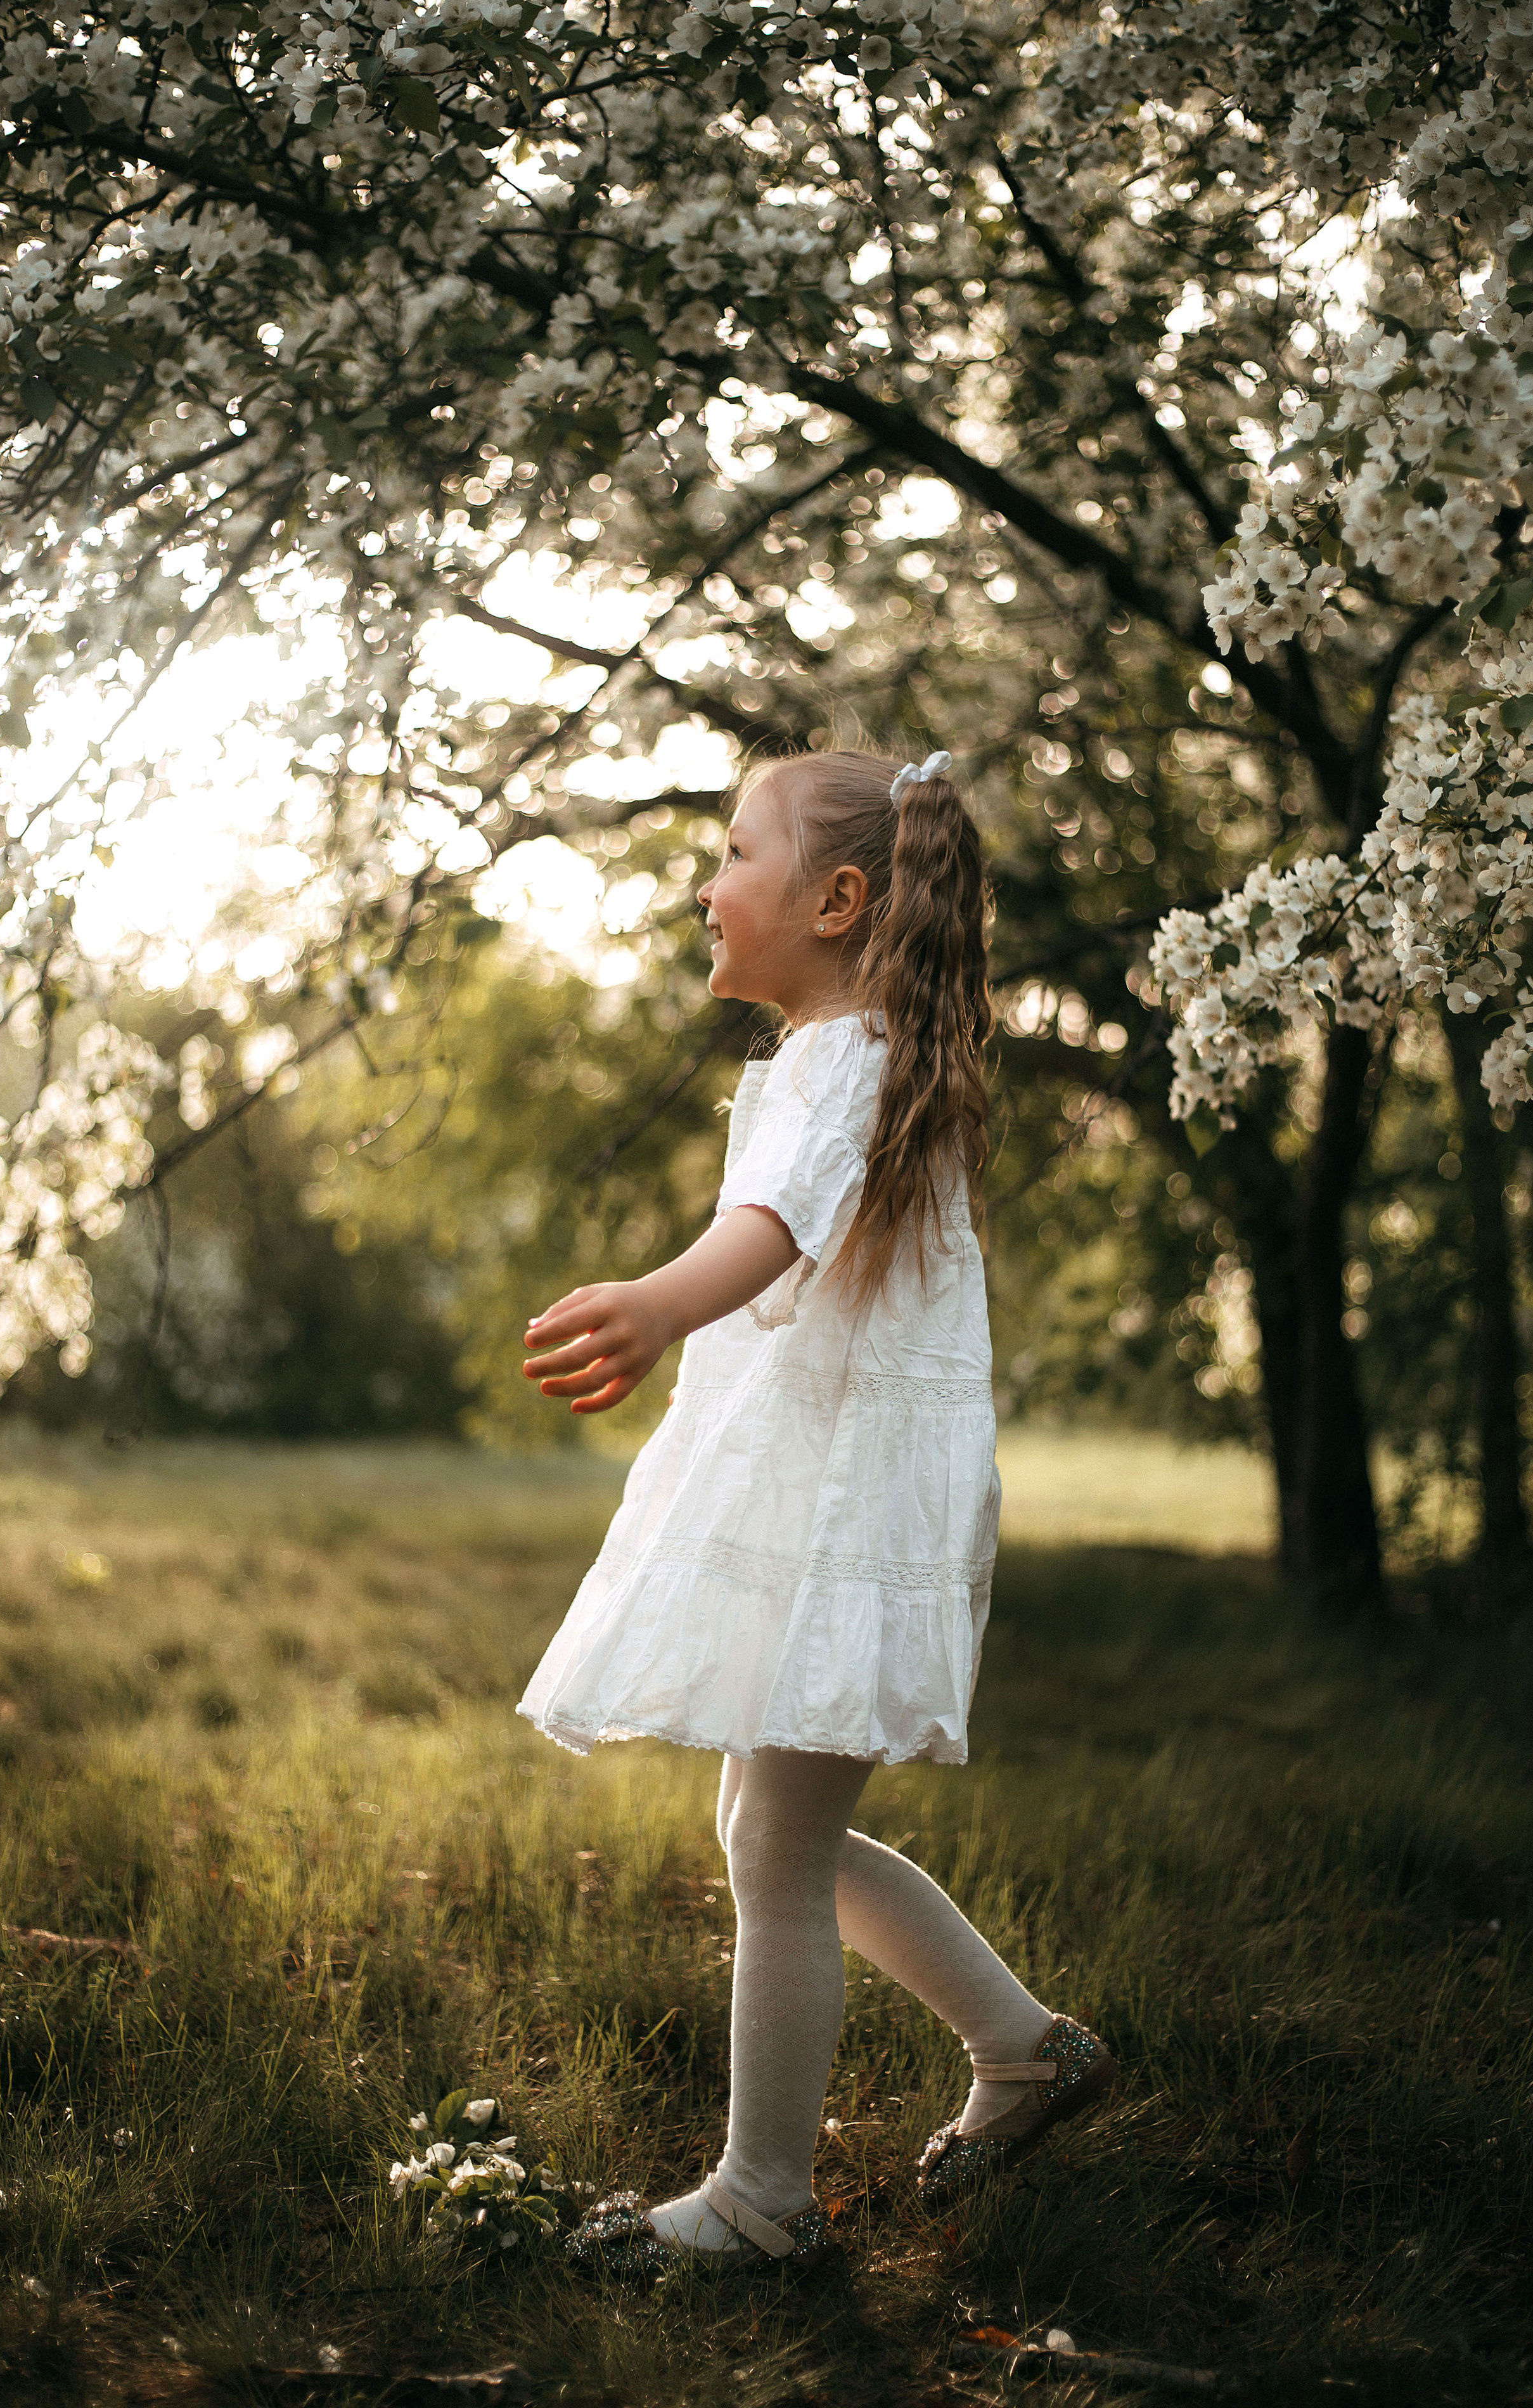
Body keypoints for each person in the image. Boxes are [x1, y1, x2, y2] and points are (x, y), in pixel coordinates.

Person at [517, 744, 1115, 2274]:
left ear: (837, 899)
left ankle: (756, 2203)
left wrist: (655, 1303)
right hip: (839, 1480)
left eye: (731, 853)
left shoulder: (841, 1057)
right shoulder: (857, 1051)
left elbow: (770, 1227)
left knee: (777, 1849)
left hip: (842, 1492)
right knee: (773, 1828)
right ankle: (1026, 2053)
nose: (704, 884)